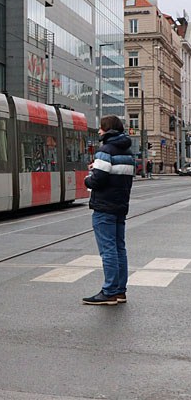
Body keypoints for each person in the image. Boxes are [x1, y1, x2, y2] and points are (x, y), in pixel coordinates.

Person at [82, 115, 134, 306]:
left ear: (108, 129)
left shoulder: (105, 150)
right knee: (120, 248)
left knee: (108, 249)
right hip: (120, 205)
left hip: (105, 206)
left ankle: (109, 291)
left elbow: (98, 180)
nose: (99, 131)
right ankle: (120, 291)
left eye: (101, 128)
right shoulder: (127, 152)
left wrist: (88, 177)